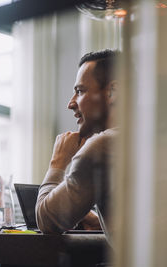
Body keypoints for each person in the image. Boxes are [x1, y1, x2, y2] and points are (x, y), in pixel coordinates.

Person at [35, 49, 119, 241]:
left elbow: (47, 221)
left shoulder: (103, 145)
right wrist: (98, 221)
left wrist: (58, 163)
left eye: (80, 91)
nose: (71, 103)